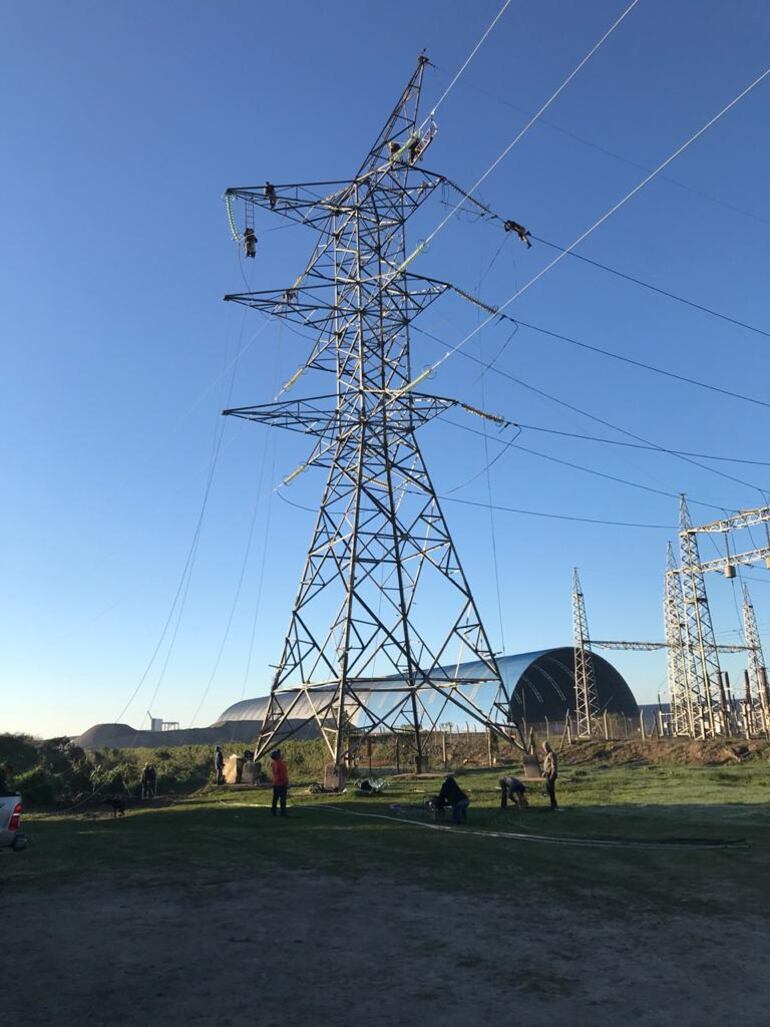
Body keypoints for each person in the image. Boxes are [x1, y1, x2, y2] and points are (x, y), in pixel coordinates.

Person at [270, 749, 289, 817]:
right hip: (281, 784)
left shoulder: (273, 763)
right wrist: (285, 782)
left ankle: (273, 811)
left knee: (275, 798)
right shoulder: (280, 764)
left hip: (275, 783)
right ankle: (283, 812)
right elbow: (283, 774)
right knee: (282, 799)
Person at [542, 741, 559, 810]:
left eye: (545, 747)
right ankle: (552, 804)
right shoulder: (548, 754)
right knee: (549, 790)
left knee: (551, 791)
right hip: (547, 774)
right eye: (544, 747)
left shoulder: (552, 754)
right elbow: (547, 765)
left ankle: (554, 805)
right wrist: (544, 772)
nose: (545, 749)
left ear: (548, 747)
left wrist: (553, 774)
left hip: (551, 774)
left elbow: (553, 765)